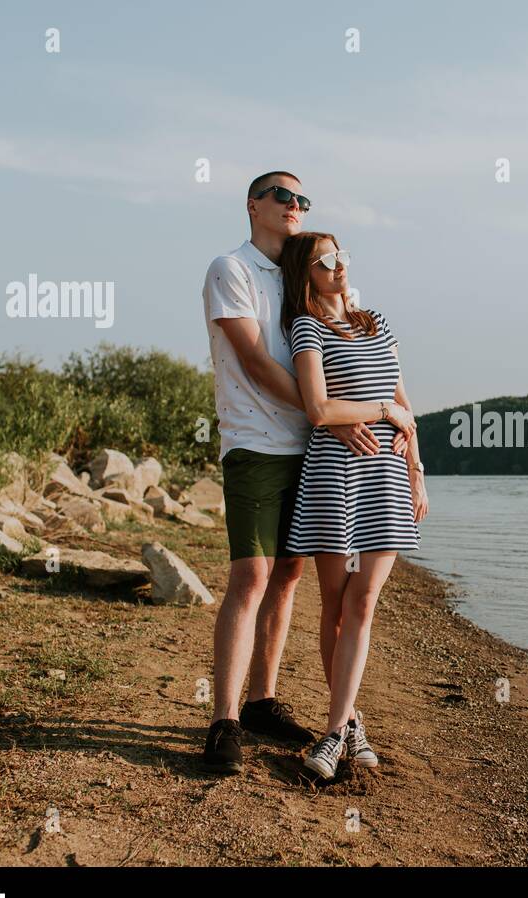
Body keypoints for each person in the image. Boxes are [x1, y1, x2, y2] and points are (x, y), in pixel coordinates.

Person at [199, 172, 410, 774]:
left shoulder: (304, 275)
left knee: (289, 577)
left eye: (302, 200)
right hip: (256, 442)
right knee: (251, 576)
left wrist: (361, 429)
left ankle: (264, 701)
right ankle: (223, 721)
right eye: (282, 197)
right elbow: (257, 363)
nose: (294, 205)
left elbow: (358, 355)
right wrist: (332, 416)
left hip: (314, 452)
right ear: (252, 206)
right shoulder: (230, 269)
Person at [278, 231, 428, 780]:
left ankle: (333, 732)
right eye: (324, 261)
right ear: (306, 275)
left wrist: (417, 472)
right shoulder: (306, 327)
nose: (338, 266)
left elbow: (406, 405)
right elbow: (318, 408)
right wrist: (382, 408)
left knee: (363, 605)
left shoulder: (376, 322)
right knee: (337, 609)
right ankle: (349, 727)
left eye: (341, 255)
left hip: (387, 478)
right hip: (334, 480)